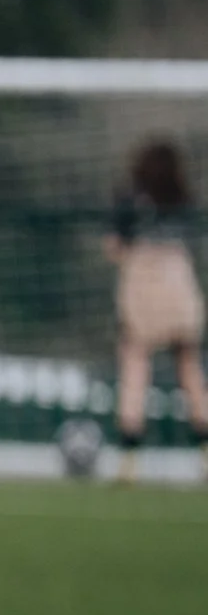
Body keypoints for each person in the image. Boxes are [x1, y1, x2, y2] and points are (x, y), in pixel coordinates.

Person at [104, 139, 208, 483]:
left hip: (142, 281)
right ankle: (205, 454)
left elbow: (114, 247)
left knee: (135, 368)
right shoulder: (182, 198)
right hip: (179, 279)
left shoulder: (129, 198)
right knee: (190, 371)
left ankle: (130, 460)